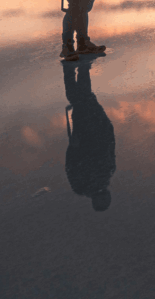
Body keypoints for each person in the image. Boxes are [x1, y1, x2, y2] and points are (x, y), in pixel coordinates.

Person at [63, 57, 116, 211]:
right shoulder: (107, 174)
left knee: (81, 100)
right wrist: (107, 127)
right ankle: (76, 68)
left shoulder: (81, 185)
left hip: (86, 138)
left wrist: (73, 147)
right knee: (83, 99)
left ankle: (78, 67)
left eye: (104, 200)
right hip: (95, 132)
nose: (106, 197)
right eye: (107, 199)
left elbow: (71, 165)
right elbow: (110, 148)